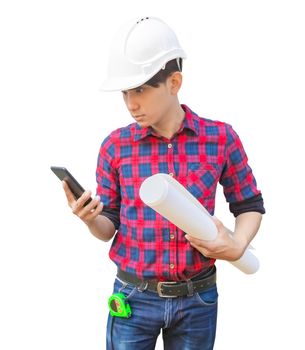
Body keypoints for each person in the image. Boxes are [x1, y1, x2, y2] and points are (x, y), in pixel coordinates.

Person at [62, 16, 265, 350]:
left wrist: (239, 243)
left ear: (174, 82)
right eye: (126, 92)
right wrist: (90, 219)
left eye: (141, 89)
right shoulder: (115, 147)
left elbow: (249, 205)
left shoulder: (220, 138)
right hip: (133, 297)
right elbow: (108, 225)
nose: (131, 104)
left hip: (198, 298)